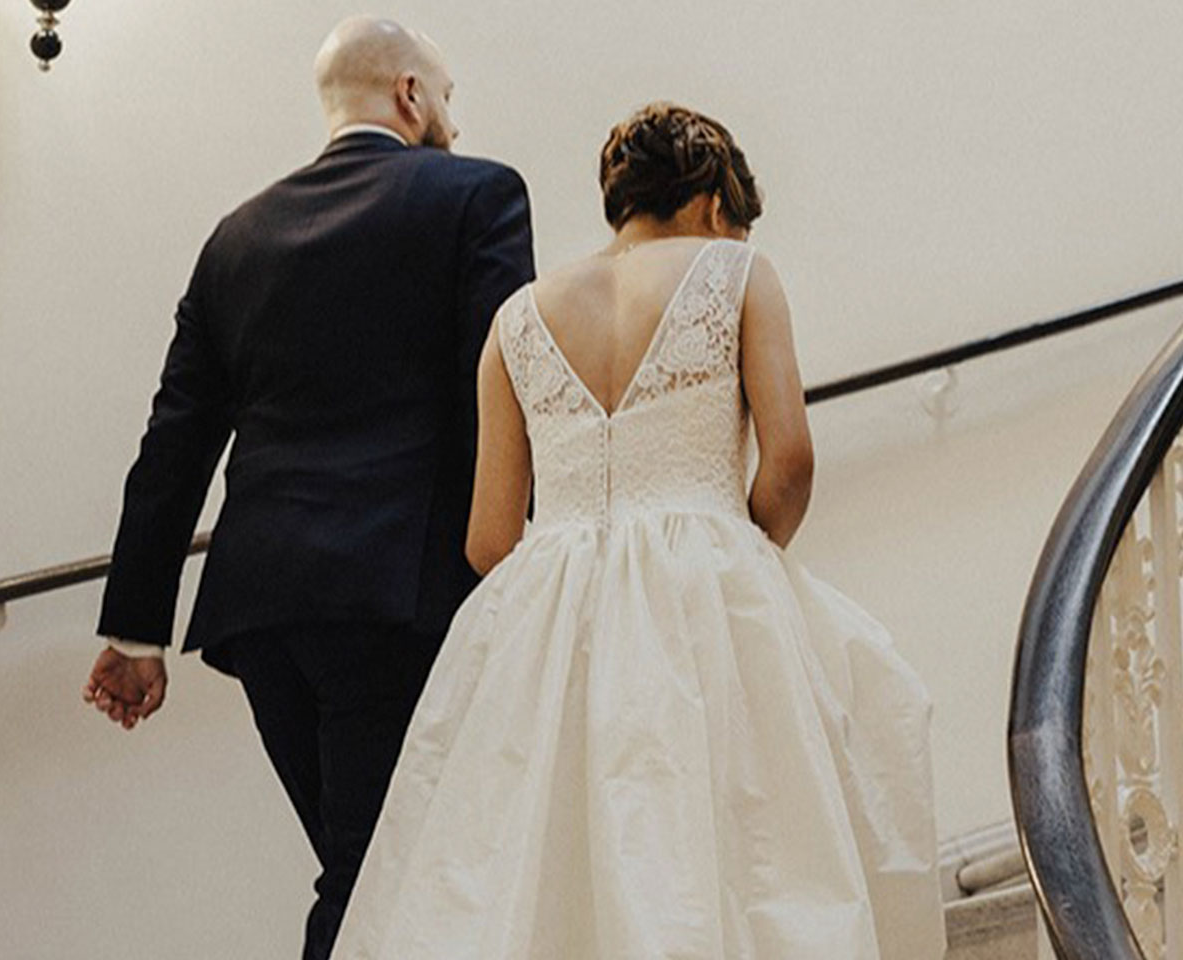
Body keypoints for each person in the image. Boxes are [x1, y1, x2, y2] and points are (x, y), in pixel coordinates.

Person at [332, 102, 944, 960]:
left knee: (547, 860)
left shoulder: (515, 320)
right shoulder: (739, 274)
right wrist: (741, 542)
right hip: (708, 576)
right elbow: (791, 461)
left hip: (552, 599)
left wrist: (571, 568)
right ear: (711, 202)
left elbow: (488, 537)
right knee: (738, 847)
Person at [80, 17, 534, 960]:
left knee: (379, 869)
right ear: (410, 92)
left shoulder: (236, 238)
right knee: (378, 879)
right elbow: (496, 392)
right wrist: (530, 569)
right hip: (399, 598)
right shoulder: (478, 194)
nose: (451, 117)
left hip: (264, 614)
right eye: (446, 95)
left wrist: (135, 628)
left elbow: (174, 442)